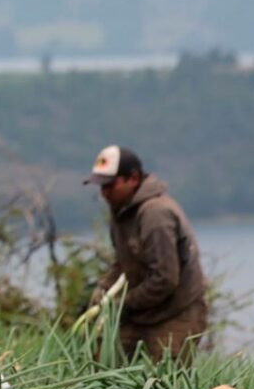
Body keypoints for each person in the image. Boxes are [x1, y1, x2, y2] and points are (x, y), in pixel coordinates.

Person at [84, 145, 208, 362]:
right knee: (104, 365)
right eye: (102, 186)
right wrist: (103, 289)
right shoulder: (121, 211)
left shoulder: (156, 213)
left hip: (177, 312)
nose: (104, 193)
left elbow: (165, 279)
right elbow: (124, 263)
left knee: (163, 379)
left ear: (133, 179)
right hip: (142, 312)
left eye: (110, 185)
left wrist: (122, 304)